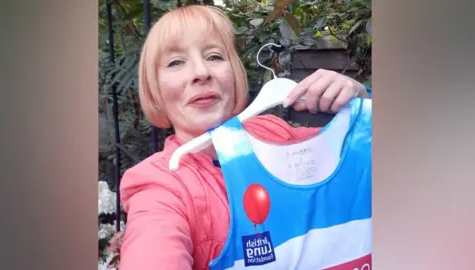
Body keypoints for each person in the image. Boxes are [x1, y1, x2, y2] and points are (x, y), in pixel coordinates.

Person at [119, 5, 371, 270]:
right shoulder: (161, 185)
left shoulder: (277, 132)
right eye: (175, 62)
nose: (201, 72)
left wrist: (362, 107)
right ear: (155, 89)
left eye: (214, 56)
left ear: (235, 73)